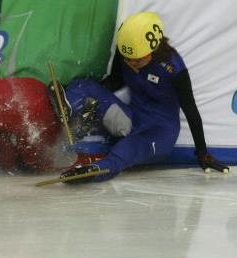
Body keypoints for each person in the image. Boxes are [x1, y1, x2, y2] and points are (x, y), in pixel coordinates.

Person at [54, 11, 229, 182]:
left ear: (152, 50)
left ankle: (96, 171)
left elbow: (190, 110)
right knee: (83, 84)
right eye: (127, 58)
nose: (131, 63)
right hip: (131, 119)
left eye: (136, 59)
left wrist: (203, 152)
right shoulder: (126, 51)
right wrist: (92, 97)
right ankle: (69, 109)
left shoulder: (174, 68)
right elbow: (114, 81)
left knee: (127, 148)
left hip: (159, 133)